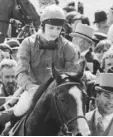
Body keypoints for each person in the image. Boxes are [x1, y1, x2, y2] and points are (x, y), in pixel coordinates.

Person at [0, 4, 79, 124]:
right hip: (33, 92)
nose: (55, 32)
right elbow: (21, 72)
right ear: (42, 26)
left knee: (77, 118)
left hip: (59, 95)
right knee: (18, 112)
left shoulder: (69, 47)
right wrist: (31, 88)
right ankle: (8, 132)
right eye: (51, 28)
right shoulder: (27, 44)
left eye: (58, 29)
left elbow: (72, 75)